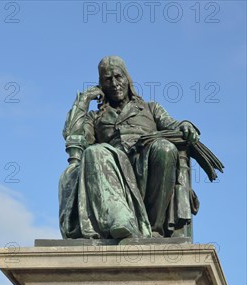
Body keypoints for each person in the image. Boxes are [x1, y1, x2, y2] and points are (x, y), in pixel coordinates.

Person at [59, 56, 200, 240]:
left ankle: (154, 228)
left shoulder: (150, 108)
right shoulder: (95, 117)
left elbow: (172, 124)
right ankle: (121, 220)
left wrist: (186, 125)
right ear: (101, 85)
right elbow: (73, 135)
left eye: (118, 77)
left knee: (165, 149)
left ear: (127, 79)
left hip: (145, 161)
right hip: (112, 168)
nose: (115, 84)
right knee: (95, 151)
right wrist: (83, 101)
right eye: (107, 80)